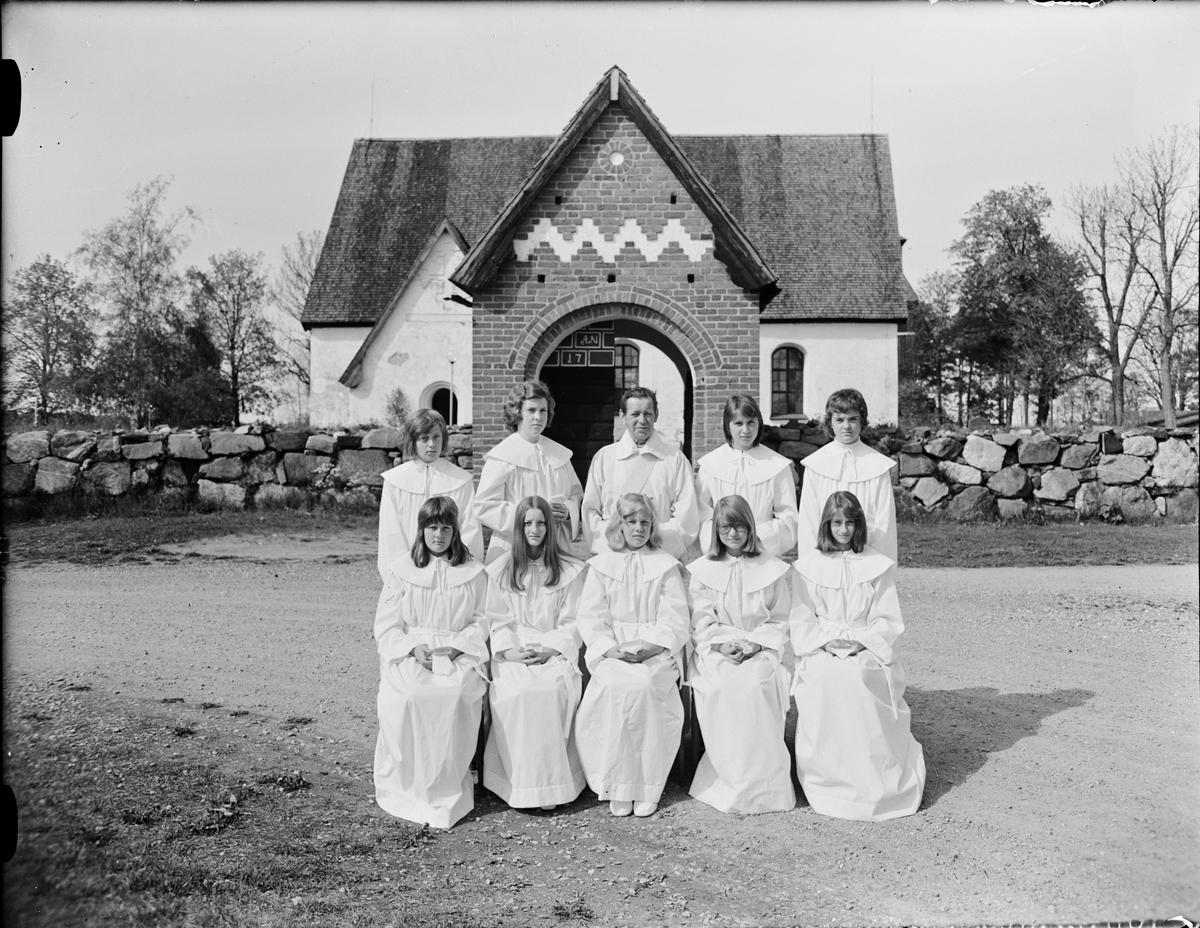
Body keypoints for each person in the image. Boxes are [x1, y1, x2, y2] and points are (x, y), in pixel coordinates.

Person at [790, 491, 925, 821]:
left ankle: (870, 779)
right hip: (823, 646)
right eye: (837, 522)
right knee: (825, 678)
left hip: (865, 647)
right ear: (826, 525)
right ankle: (829, 779)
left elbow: (886, 619)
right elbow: (803, 618)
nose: (844, 530)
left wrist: (860, 642)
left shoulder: (875, 566)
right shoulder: (809, 568)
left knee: (858, 677)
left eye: (851, 522)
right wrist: (826, 642)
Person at [373, 496, 488, 829]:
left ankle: (447, 782)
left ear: (456, 532)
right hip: (415, 651)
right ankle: (412, 784)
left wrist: (456, 647)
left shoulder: (473, 572)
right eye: (432, 528)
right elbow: (387, 626)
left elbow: (482, 619)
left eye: (446, 528)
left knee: (453, 695)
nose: (439, 535)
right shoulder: (402, 571)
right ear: (422, 530)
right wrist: (413, 648)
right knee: (411, 695)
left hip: (457, 650)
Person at [575, 492, 690, 818]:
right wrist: (610, 649)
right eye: (630, 522)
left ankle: (647, 784)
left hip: (654, 652)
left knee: (646, 687)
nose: (638, 528)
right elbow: (592, 617)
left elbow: (675, 618)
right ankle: (618, 784)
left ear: (653, 525)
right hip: (614, 652)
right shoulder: (602, 565)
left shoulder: (664, 565)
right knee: (615, 688)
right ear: (619, 525)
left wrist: (653, 646)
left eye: (644, 522)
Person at [686, 495, 796, 814]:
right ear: (716, 531)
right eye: (724, 527)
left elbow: (779, 617)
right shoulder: (705, 569)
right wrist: (720, 645)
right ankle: (728, 776)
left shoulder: (770, 568)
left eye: (738, 526)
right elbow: (700, 618)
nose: (732, 534)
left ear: (749, 527)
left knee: (756, 685)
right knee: (722, 687)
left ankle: (763, 784)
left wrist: (757, 644)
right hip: (717, 647)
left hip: (758, 646)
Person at [482, 496, 588, 811]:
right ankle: (519, 783)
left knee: (549, 689)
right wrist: (510, 652)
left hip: (553, 649)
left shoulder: (569, 570)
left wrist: (550, 649)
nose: (535, 529)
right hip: (514, 650)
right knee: (518, 691)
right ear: (518, 527)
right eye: (528, 522)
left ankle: (551, 786)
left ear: (551, 526)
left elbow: (573, 622)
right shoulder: (500, 570)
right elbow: (496, 621)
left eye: (541, 522)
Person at [582, 386, 699, 561]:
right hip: (614, 554)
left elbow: (686, 513)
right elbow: (590, 510)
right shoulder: (605, 457)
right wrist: (611, 544)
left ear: (656, 415)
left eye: (648, 414)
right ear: (623, 416)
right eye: (635, 414)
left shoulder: (674, 459)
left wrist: (656, 545)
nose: (642, 420)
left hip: (660, 554)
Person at [477, 380, 582, 564]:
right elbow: (485, 505)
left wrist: (566, 511)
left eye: (543, 410)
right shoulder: (503, 456)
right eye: (531, 410)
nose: (538, 417)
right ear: (517, 413)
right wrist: (529, 518)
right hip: (514, 546)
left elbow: (575, 494)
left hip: (554, 545)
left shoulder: (560, 454)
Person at [377, 408, 483, 579]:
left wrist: (460, 572)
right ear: (413, 441)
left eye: (436, 437)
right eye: (424, 439)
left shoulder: (460, 480)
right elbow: (391, 534)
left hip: (451, 572)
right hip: (408, 572)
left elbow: (469, 529)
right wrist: (401, 574)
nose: (432, 444)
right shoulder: (395, 481)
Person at [797, 388, 897, 562]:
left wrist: (878, 564)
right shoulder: (816, 464)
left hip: (867, 553)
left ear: (862, 421)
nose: (846, 426)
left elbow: (884, 523)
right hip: (825, 556)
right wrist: (813, 564)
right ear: (830, 422)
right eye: (839, 420)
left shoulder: (877, 465)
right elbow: (809, 521)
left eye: (853, 419)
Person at [697, 394, 798, 558]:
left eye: (751, 422)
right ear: (728, 426)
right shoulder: (711, 464)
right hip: (722, 551)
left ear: (759, 423)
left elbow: (788, 516)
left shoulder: (777, 465)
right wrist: (720, 541)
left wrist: (757, 539)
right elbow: (701, 514)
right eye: (738, 423)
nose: (746, 430)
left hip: (761, 551)